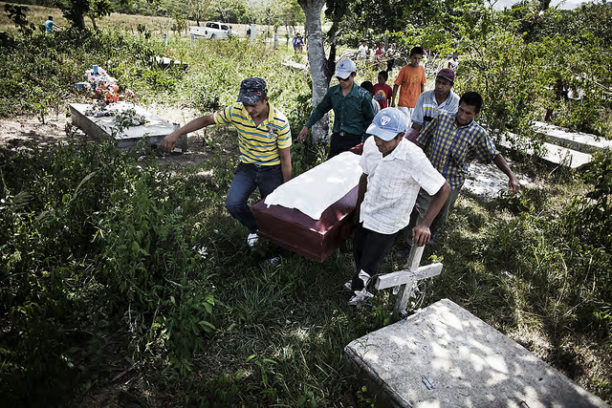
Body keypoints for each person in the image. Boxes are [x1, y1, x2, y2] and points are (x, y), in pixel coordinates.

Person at [160, 78, 292, 247]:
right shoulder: (237, 111)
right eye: (246, 104)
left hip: (271, 170)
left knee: (275, 210)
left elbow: (285, 159)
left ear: (266, 100)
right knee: (233, 204)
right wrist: (176, 134)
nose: (249, 109)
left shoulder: (280, 122)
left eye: (254, 105)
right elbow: (207, 119)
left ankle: (278, 249)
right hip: (248, 167)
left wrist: (287, 188)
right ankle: (257, 229)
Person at [346, 108, 450, 305]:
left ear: (401, 136)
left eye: (385, 139)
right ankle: (359, 282)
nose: (379, 142)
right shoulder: (371, 145)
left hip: (388, 220)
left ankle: (360, 294)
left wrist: (426, 224)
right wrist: (358, 208)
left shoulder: (413, 158)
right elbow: (365, 176)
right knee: (359, 252)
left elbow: (443, 189)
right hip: (367, 211)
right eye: (377, 135)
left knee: (370, 259)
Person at [406, 91, 519, 247]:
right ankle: (411, 247)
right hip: (430, 176)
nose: (463, 116)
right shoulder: (442, 119)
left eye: (468, 113)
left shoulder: (478, 134)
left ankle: (429, 241)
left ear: (476, 114)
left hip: (452, 181)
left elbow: (494, 155)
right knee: (421, 212)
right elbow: (422, 140)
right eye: (461, 110)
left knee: (439, 216)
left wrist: (511, 176)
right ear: (458, 106)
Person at [297, 58, 375, 158]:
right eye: (339, 78)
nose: (342, 81)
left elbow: (370, 121)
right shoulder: (333, 92)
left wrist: (365, 143)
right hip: (337, 139)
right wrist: (306, 126)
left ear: (353, 75)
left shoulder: (363, 96)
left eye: (345, 78)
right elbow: (320, 109)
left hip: (355, 140)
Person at [391, 46, 426, 129]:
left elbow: (422, 85)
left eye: (419, 59)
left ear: (421, 58)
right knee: (404, 126)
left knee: (413, 127)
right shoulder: (404, 69)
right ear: (410, 57)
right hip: (404, 103)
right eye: (415, 58)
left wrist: (422, 101)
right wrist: (393, 101)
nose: (416, 61)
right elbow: (396, 85)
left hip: (415, 103)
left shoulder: (421, 69)